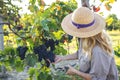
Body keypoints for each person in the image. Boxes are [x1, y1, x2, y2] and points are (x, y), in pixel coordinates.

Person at [54, 7, 119, 80]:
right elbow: (81, 53)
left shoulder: (99, 51)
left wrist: (75, 72)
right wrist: (62, 58)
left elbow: (97, 78)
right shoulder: (85, 39)